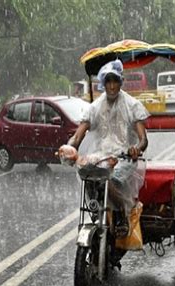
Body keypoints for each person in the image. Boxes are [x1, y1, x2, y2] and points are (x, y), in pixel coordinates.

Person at [60, 59, 149, 237]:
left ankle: (121, 214)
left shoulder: (132, 105)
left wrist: (136, 149)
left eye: (115, 80)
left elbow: (143, 139)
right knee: (88, 175)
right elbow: (78, 135)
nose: (112, 85)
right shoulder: (94, 107)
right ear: (103, 83)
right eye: (108, 81)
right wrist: (69, 148)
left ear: (121, 82)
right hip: (101, 157)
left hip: (123, 158)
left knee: (106, 180)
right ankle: (97, 212)